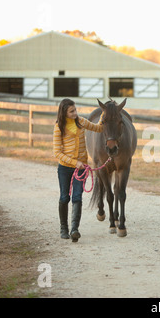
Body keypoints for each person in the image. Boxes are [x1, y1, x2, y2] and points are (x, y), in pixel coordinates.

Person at [53, 98, 104, 242]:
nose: (75, 113)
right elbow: (57, 152)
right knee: (64, 197)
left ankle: (74, 229)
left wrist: (103, 116)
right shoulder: (59, 127)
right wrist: (75, 163)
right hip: (65, 168)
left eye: (75, 110)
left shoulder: (81, 121)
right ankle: (64, 228)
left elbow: (98, 128)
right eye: (72, 111)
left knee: (77, 197)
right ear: (64, 113)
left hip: (81, 169)